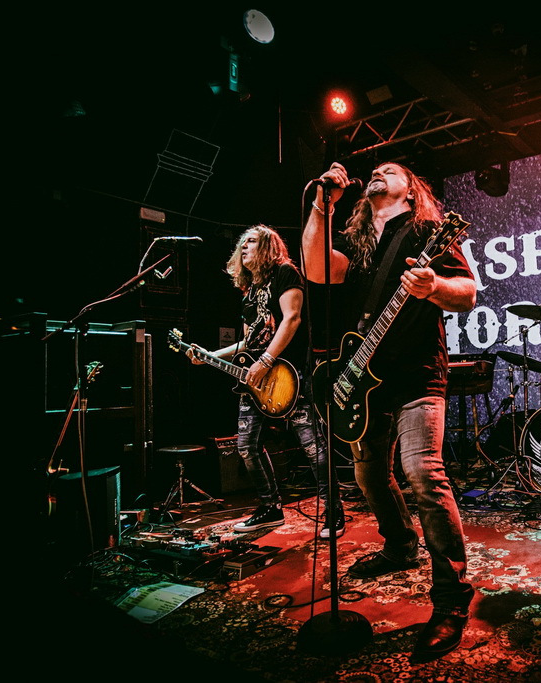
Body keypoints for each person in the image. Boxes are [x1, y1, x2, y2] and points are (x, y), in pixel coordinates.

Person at [302, 161, 476, 662]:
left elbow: (467, 294)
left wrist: (433, 286)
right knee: (368, 474)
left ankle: (451, 598)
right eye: (375, 170)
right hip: (364, 380)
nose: (378, 172)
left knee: (422, 471)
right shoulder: (355, 240)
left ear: (410, 189)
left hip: (417, 373)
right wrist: (322, 206)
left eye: (390, 170)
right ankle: (400, 544)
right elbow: (315, 266)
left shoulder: (427, 231)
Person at [187, 225, 345, 538]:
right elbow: (248, 342)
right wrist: (209, 355)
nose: (243, 247)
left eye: (251, 242)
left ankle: (333, 511)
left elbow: (292, 318)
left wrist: (266, 360)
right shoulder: (249, 291)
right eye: (242, 244)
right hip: (257, 379)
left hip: (290, 373)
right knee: (246, 446)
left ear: (268, 247)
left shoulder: (285, 273)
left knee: (313, 446)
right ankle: (270, 508)